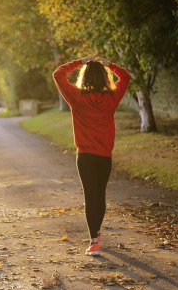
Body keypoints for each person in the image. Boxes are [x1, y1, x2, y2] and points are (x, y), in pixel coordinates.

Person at [52, 56, 131, 256]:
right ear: (105, 78)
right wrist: (109, 64)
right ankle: (96, 232)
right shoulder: (112, 98)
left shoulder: (76, 97)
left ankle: (94, 241)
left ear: (84, 77)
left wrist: (80, 62)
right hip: (104, 156)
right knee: (100, 195)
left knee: (90, 196)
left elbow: (58, 74)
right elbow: (126, 76)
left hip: (85, 156)